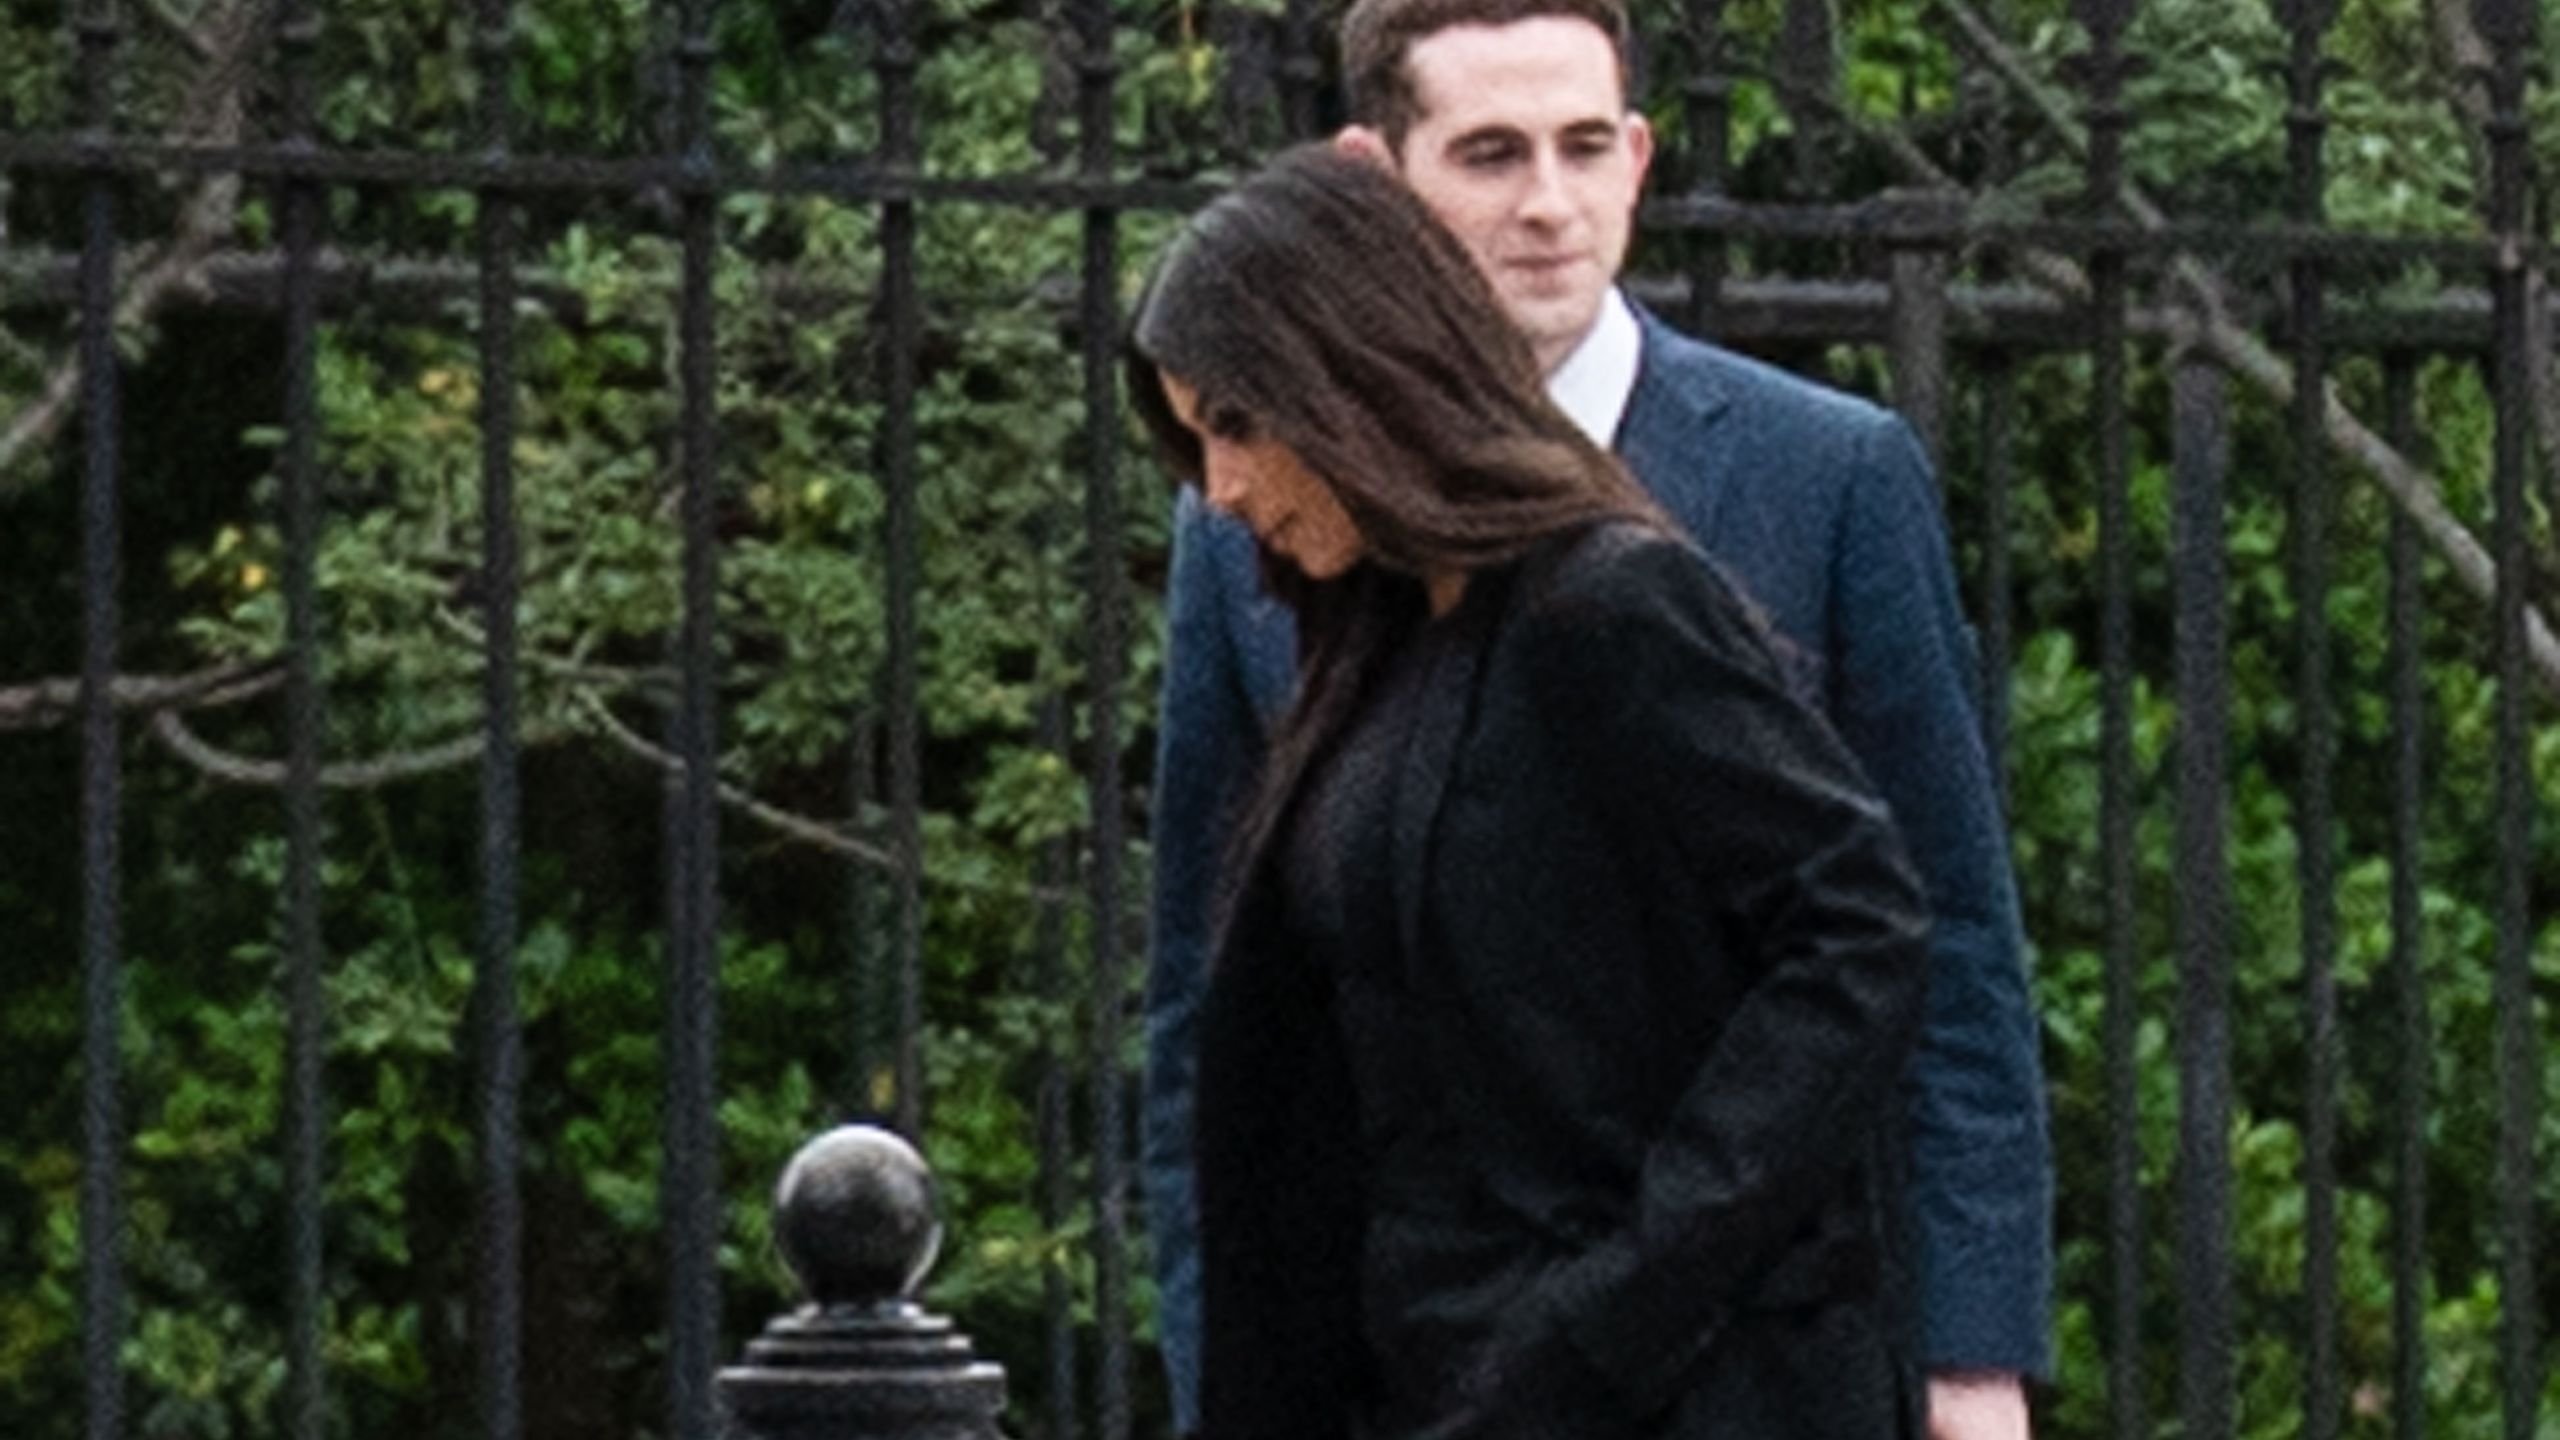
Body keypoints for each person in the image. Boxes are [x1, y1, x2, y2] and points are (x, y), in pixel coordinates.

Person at [1140, 1, 2053, 1436]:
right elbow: (1222, 998)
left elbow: (1926, 924)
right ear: (1380, 181)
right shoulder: (1287, 544)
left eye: (1584, 147)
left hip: (1689, 1357)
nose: (1550, 206)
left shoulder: (1824, 477)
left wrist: (1972, 1354)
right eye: (1494, 153)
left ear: (1639, 157)